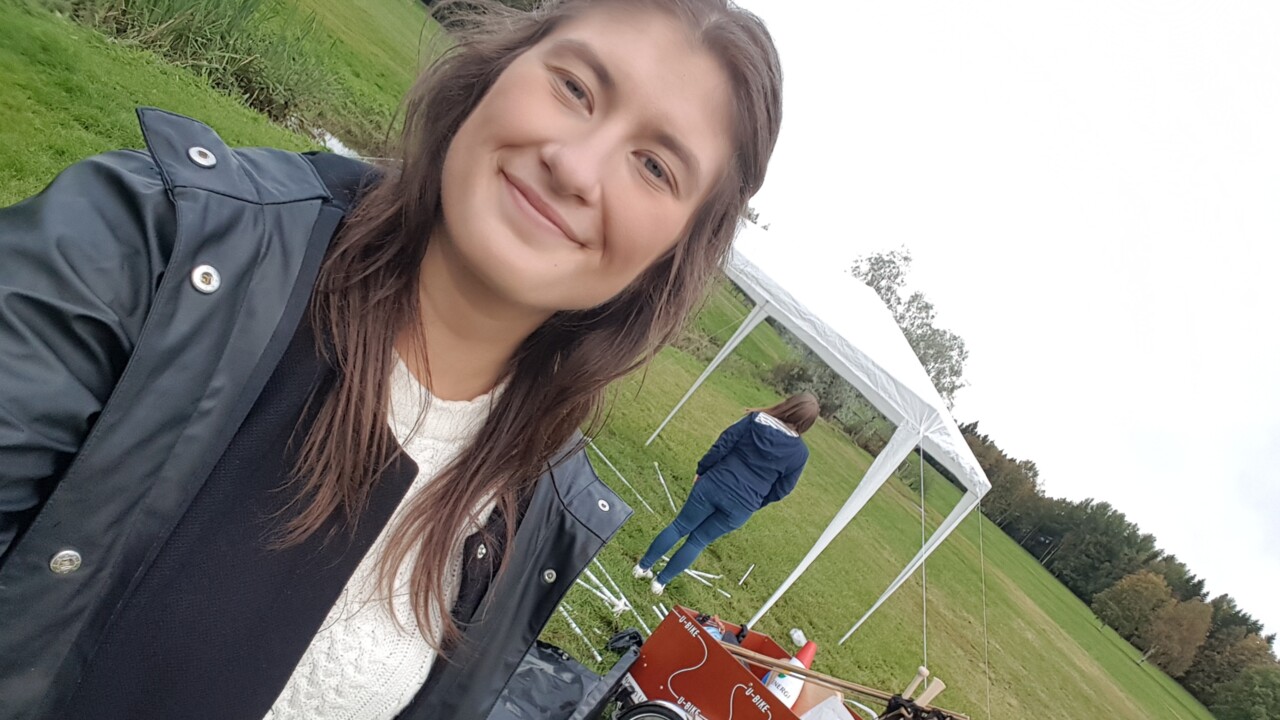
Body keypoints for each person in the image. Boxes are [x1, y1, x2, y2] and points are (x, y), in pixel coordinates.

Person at [0, 0, 782, 717]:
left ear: (676, 253)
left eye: (655, 167)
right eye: (575, 87)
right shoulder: (158, 249)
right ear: (493, 73)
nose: (575, 167)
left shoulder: (545, 506)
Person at [634, 392, 818, 594]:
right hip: (742, 506)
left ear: (787, 405)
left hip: (715, 484)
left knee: (679, 527)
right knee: (698, 541)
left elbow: (723, 444)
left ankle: (642, 567)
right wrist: (757, 503)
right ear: (807, 423)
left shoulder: (754, 420)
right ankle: (660, 583)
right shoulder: (800, 454)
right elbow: (783, 489)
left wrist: (703, 469)